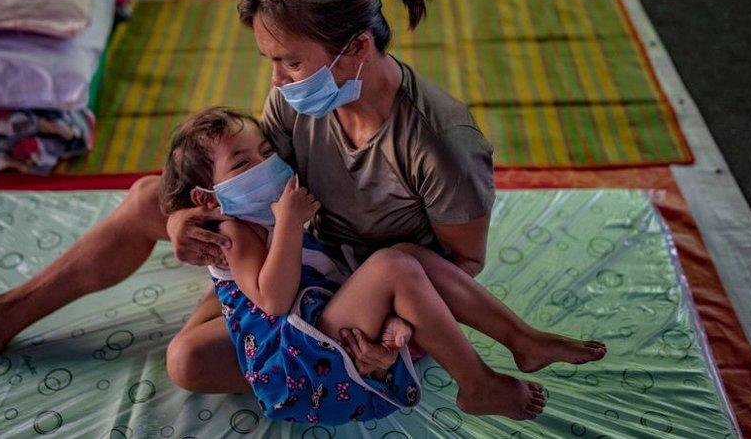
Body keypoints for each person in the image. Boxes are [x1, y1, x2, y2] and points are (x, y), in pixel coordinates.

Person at [0, 0, 607, 398]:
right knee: (148, 196)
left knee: (187, 361)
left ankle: (426, 349)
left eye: (289, 60)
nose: (278, 80)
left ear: (356, 48)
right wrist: (183, 217)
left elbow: (459, 265)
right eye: (271, 61)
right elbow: (250, 179)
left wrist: (400, 328)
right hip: (294, 243)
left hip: (368, 290)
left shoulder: (442, 144)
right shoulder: (298, 96)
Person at [160, 107, 590, 422]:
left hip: (314, 333)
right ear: (208, 198)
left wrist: (390, 316)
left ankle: (520, 337)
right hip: (296, 364)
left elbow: (327, 279)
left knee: (408, 256)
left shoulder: (264, 212)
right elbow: (273, 300)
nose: (266, 163)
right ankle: (477, 385)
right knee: (393, 266)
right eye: (242, 163)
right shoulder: (233, 231)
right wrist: (289, 221)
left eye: (266, 150)